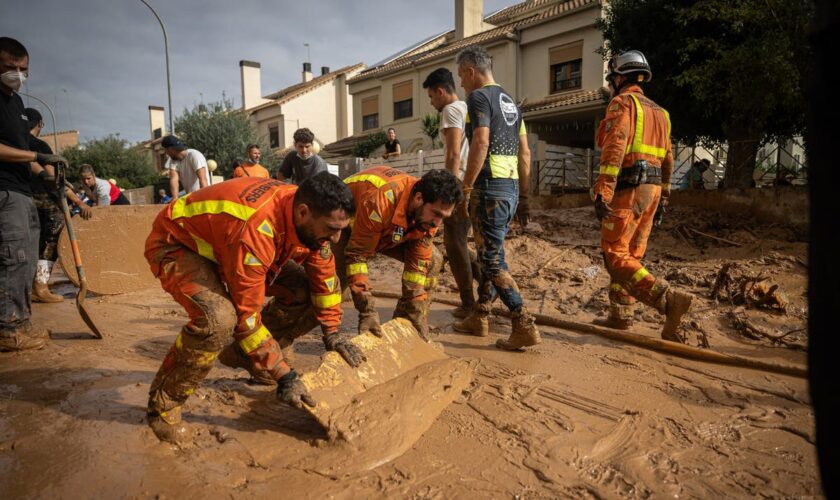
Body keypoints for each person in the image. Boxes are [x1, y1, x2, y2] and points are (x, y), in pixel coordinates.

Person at [143, 172, 359, 444]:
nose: (337, 239)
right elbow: (247, 320)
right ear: (303, 213)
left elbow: (325, 280)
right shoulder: (257, 229)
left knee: (305, 292)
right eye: (331, 229)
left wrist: (333, 332)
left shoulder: (307, 217)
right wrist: (285, 375)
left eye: (341, 229)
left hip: (228, 243)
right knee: (218, 320)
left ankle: (248, 356)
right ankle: (164, 407)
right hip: (179, 243)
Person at [590, 50, 693, 342]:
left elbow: (614, 147)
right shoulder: (662, 113)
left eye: (612, 79)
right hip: (654, 190)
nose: (611, 85)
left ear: (620, 77)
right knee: (632, 253)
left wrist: (603, 190)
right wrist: (666, 196)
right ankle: (620, 315)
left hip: (629, 187)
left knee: (615, 254)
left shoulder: (623, 103)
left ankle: (669, 300)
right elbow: (669, 157)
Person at [452, 45, 540, 351]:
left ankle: (522, 320)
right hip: (511, 188)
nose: (461, 83)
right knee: (492, 251)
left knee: (490, 259)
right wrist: (525, 196)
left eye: (461, 76)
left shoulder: (478, 97)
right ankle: (482, 315)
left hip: (488, 187)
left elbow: (481, 141)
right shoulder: (513, 105)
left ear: (471, 71)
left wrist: (465, 186)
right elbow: (526, 153)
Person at [338, 166, 460, 340]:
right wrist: (367, 310)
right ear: (419, 198)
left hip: (385, 229)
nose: (436, 224)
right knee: (331, 287)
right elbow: (357, 256)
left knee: (433, 259)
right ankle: (287, 350)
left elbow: (417, 266)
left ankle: (406, 322)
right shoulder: (381, 200)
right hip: (347, 224)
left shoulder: (428, 215)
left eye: (443, 217)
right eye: (436, 214)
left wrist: (417, 310)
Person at [0, 37, 65, 351]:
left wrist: (48, 176)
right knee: (13, 258)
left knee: (26, 260)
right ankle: (8, 330)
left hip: (23, 190)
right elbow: (19, 153)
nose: (17, 74)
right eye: (9, 67)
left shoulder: (15, 102)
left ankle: (20, 324)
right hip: (4, 191)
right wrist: (36, 158)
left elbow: (26, 152)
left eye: (23, 69)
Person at [423, 67, 480, 318]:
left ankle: (469, 304)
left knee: (454, 243)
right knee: (464, 241)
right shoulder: (469, 107)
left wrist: (448, 186)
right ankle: (489, 291)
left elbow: (453, 153)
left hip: (459, 180)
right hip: (476, 180)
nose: (432, 102)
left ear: (441, 91)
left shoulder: (451, 110)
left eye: (431, 96)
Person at [24, 108, 83, 303]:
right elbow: (53, 179)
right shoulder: (38, 145)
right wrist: (78, 201)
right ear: (40, 124)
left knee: (24, 243)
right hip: (43, 201)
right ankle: (40, 286)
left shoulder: (13, 143)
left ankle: (26, 287)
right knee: (52, 240)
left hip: (19, 199)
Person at [162, 135, 210, 199]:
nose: (166, 153)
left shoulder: (194, 155)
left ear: (170, 149)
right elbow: (174, 179)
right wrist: (175, 198)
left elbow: (203, 178)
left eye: (166, 150)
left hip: (201, 196)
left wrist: (205, 198)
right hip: (190, 198)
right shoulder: (173, 160)